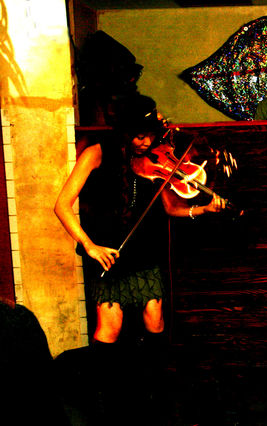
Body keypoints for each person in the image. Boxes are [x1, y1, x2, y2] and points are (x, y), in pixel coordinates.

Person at [54, 94, 227, 422]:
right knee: (111, 327)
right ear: (124, 131)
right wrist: (90, 246)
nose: (145, 143)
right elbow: (62, 205)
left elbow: (171, 208)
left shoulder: (154, 160)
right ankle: (104, 404)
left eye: (149, 135)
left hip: (144, 251)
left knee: (154, 320)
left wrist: (202, 209)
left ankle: (155, 395)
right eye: (138, 136)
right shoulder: (96, 153)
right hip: (109, 254)